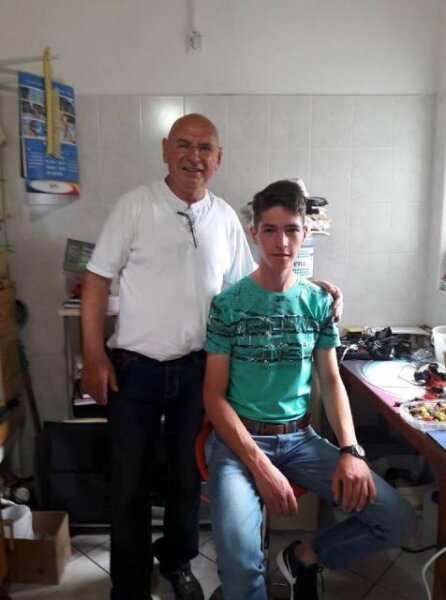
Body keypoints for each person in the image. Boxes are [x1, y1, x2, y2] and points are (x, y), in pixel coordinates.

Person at [81, 114, 342, 600]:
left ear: (218, 159)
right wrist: (93, 355)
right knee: (129, 481)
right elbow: (96, 279)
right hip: (134, 370)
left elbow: (251, 283)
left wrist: (312, 288)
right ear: (165, 150)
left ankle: (177, 563)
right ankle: (130, 583)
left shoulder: (223, 217)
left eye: (205, 149)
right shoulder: (135, 205)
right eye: (184, 145)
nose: (194, 157)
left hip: (197, 370)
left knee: (186, 478)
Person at [203, 179, 416, 600]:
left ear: (306, 232)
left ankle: (305, 556)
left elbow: (331, 380)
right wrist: (261, 467)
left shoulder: (318, 303)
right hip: (239, 443)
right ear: (254, 233)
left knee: (397, 519)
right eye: (270, 230)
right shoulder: (228, 305)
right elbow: (213, 396)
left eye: (291, 230)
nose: (281, 242)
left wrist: (351, 451)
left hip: (300, 439)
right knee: (241, 570)